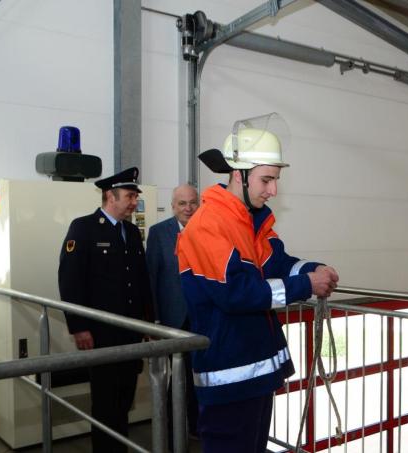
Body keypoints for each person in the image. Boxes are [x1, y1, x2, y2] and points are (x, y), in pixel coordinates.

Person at [175, 120, 340, 453]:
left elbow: (277, 263)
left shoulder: (249, 220)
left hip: (255, 370)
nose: (273, 190)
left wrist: (312, 269)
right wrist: (306, 284)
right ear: (239, 174)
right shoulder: (209, 226)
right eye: (267, 179)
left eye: (276, 179)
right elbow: (236, 293)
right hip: (229, 376)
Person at [58, 167, 154, 453]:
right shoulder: (84, 228)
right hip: (100, 333)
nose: (134, 201)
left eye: (136, 196)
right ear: (110, 196)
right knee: (104, 401)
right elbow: (70, 280)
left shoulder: (132, 233)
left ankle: (118, 448)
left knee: (124, 397)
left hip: (130, 332)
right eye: (129, 196)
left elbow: (140, 280)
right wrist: (78, 327)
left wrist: (149, 324)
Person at [146, 183, 200, 441]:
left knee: (198, 378)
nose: (188, 208)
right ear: (173, 206)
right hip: (170, 320)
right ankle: (168, 432)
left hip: (201, 319)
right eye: (182, 203)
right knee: (170, 381)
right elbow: (151, 278)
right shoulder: (159, 233)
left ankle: (196, 429)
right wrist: (153, 320)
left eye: (192, 202)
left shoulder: (208, 229)